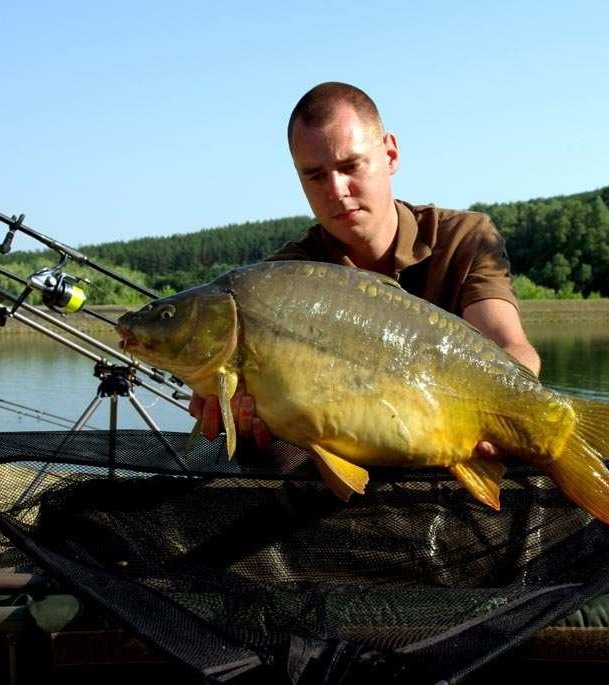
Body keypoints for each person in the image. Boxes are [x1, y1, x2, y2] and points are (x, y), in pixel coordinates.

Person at [189, 82, 540, 452]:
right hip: (338, 475)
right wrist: (243, 422)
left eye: (349, 166)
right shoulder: (280, 282)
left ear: (390, 155)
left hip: (457, 449)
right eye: (315, 175)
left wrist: (507, 409)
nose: (337, 190)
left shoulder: (464, 237)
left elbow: (509, 346)